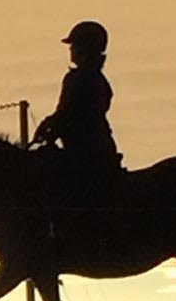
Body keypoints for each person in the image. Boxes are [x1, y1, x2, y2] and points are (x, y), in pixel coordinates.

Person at [30, 21, 123, 220]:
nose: (71, 50)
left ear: (84, 47)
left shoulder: (79, 78)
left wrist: (49, 129)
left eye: (74, 45)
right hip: (98, 147)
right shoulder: (96, 78)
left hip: (83, 150)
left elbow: (67, 112)